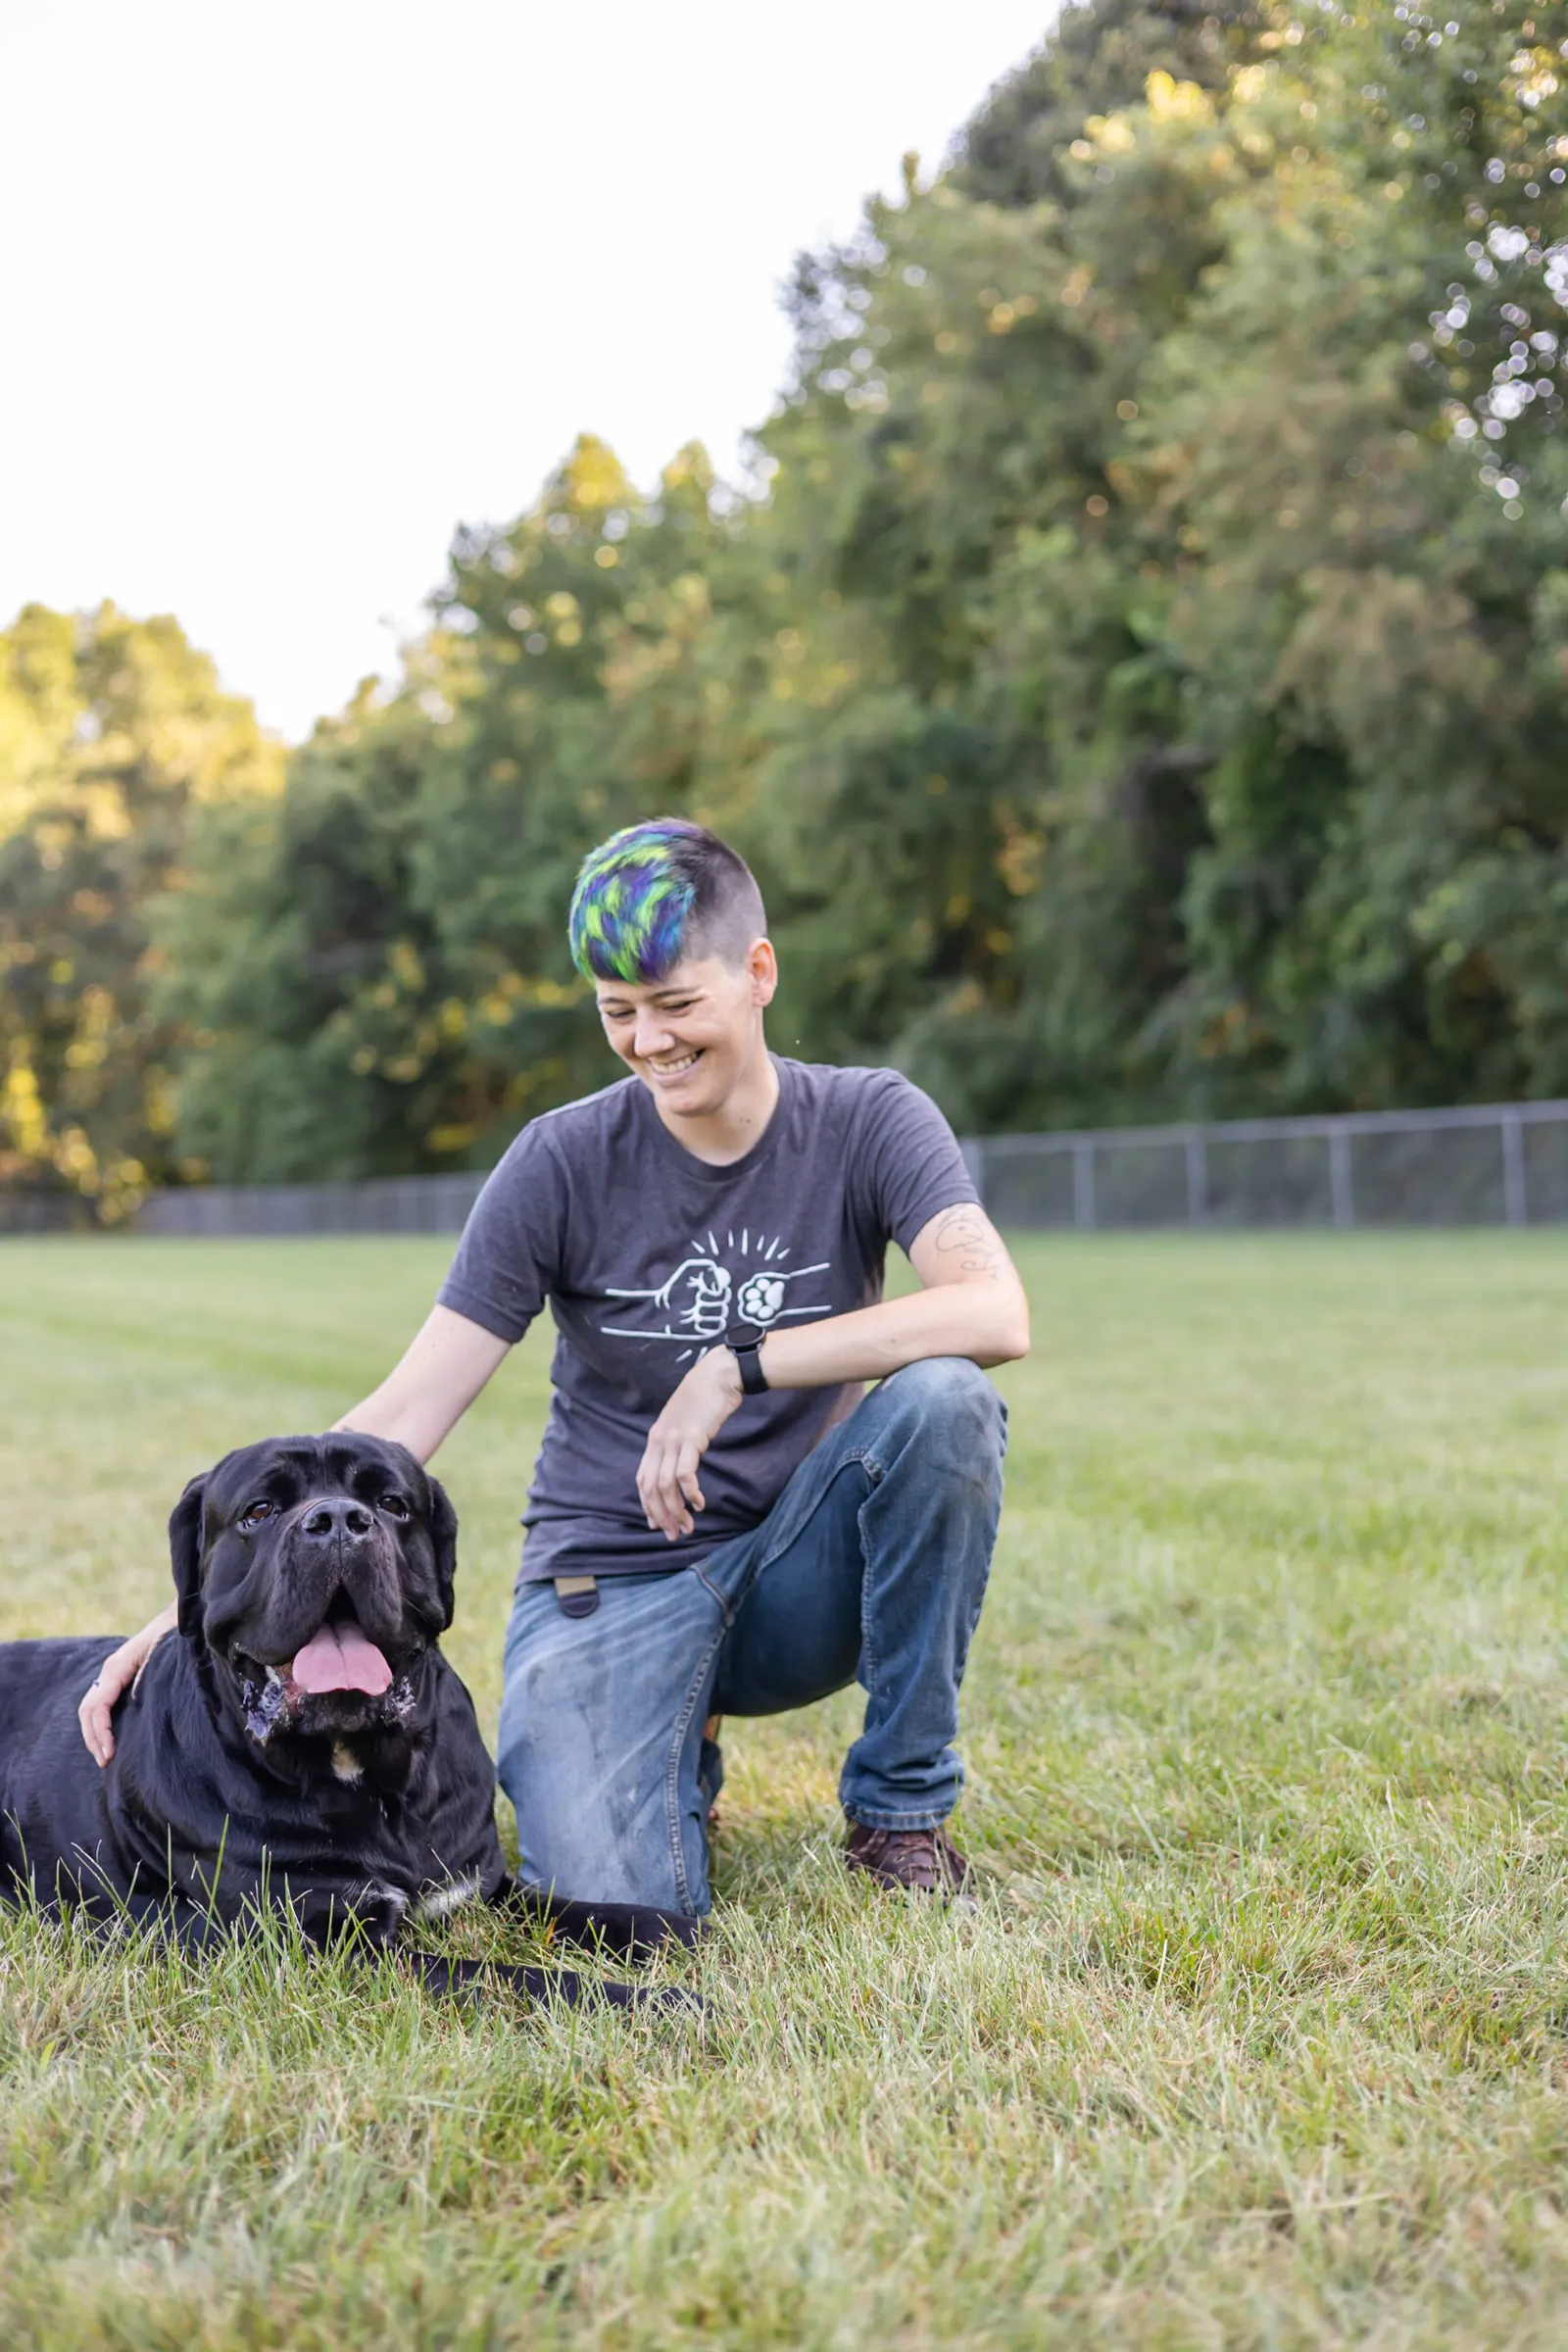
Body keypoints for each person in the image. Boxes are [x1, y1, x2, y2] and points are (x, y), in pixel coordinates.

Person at [80, 819, 1028, 1914]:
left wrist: (737, 1365)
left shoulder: (868, 1119)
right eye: (616, 1013)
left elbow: (992, 1310)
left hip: (791, 1572)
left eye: (676, 1005)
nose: (648, 1042)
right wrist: (185, 1609)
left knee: (948, 1402)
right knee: (616, 1906)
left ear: (758, 972)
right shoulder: (561, 1158)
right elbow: (406, 1410)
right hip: (607, 1583)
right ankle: (679, 1743)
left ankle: (898, 1816)